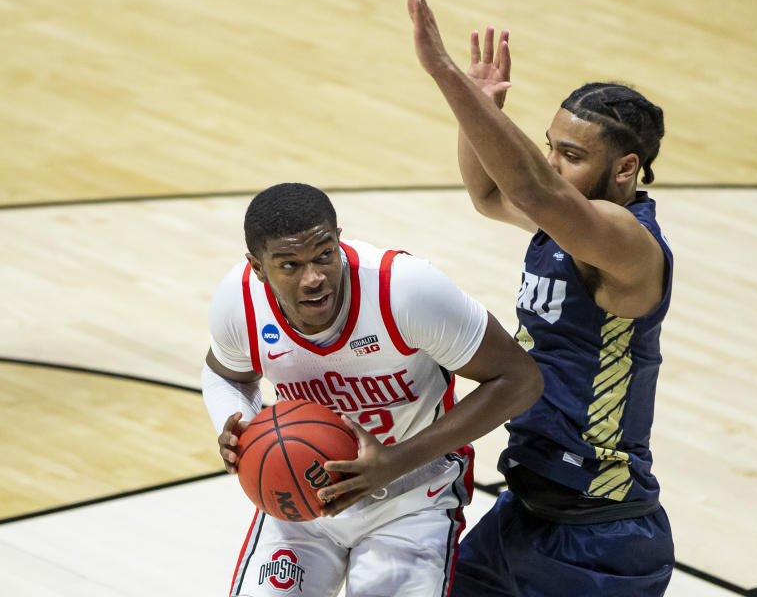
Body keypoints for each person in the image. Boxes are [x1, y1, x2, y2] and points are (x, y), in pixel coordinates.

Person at [397, 0, 675, 596]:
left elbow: (532, 188)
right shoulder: (566, 225)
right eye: (551, 146)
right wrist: (482, 112)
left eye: (571, 156)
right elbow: (490, 191)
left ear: (627, 167)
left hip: (601, 535)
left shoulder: (628, 245)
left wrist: (444, 75)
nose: (553, 164)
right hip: (524, 513)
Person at [201, 182, 543, 597]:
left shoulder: (405, 291)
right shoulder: (239, 301)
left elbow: (519, 379)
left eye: (324, 255)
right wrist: (237, 429)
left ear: (339, 241)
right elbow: (226, 374)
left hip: (411, 496)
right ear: (257, 267)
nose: (313, 278)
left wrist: (394, 462)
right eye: (289, 265)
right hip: (302, 496)